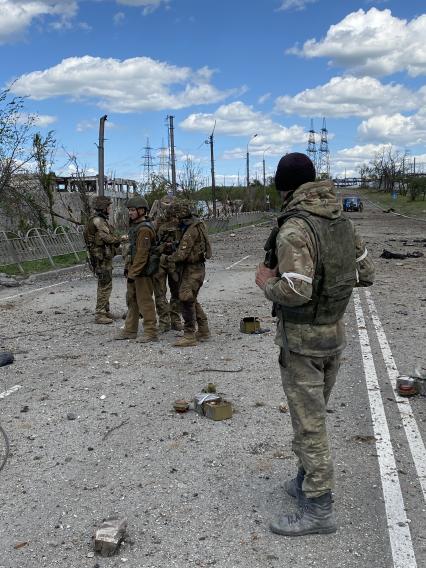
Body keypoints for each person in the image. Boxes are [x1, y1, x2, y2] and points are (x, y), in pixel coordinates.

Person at [255, 153, 374, 537]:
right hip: (333, 336)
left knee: (309, 424)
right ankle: (305, 477)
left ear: (284, 187)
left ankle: (318, 508)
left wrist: (265, 282)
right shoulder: (341, 220)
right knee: (312, 415)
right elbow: (366, 273)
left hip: (303, 342)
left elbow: (296, 290)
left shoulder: (295, 229)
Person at [164, 200, 211, 347]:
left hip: (192, 269)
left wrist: (167, 258)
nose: (172, 221)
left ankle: (189, 334)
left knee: (185, 298)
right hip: (195, 268)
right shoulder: (196, 225)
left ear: (179, 216)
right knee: (191, 299)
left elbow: (182, 254)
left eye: (173, 217)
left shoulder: (190, 230)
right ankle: (203, 330)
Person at [115, 196, 158, 343]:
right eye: (129, 210)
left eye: (133, 210)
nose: (130, 213)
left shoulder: (144, 229)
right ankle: (130, 330)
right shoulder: (136, 227)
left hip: (144, 273)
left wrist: (133, 273)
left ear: (142, 211)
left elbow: (142, 254)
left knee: (144, 301)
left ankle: (151, 332)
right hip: (135, 271)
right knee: (132, 300)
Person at [84, 195, 124, 324]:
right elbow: (107, 238)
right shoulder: (98, 221)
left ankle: (105, 311)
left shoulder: (99, 220)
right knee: (104, 285)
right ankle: (100, 313)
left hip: (103, 257)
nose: (110, 209)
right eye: (109, 206)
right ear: (103, 207)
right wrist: (121, 239)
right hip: (100, 258)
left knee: (106, 283)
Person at [153, 204, 183, 333]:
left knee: (176, 292)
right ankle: (164, 321)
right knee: (160, 293)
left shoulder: (182, 226)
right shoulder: (156, 225)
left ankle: (175, 320)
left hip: (175, 261)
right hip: (160, 260)